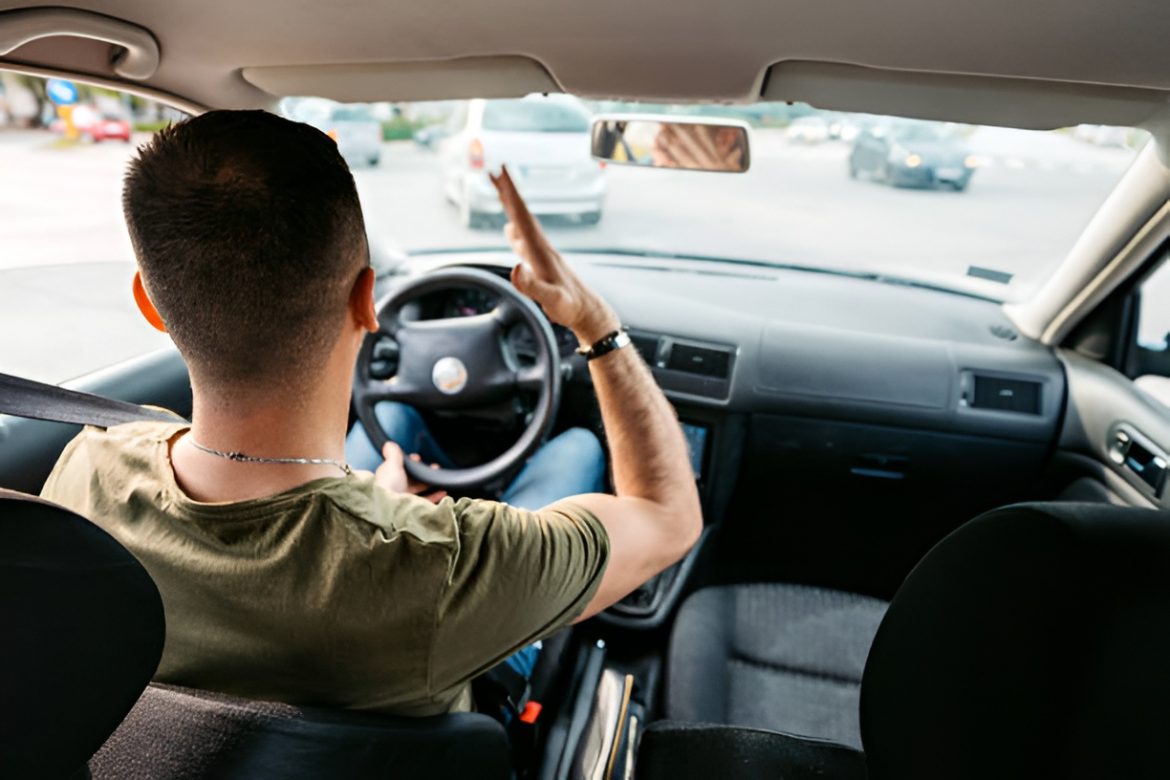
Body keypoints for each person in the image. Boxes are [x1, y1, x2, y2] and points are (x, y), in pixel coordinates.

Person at [40, 110, 702, 719]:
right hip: (454, 659)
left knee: (398, 437)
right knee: (577, 451)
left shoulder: (89, 464)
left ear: (151, 305)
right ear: (367, 299)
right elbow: (668, 519)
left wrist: (371, 504)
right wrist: (596, 324)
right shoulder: (440, 565)